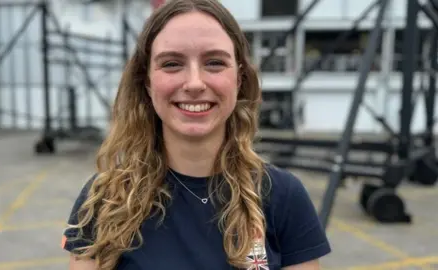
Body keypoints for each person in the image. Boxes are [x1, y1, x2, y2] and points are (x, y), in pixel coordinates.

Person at [61, 0, 332, 269]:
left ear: (238, 79)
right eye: (171, 64)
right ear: (146, 81)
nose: (194, 83)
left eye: (214, 62)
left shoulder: (284, 197)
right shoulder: (103, 200)